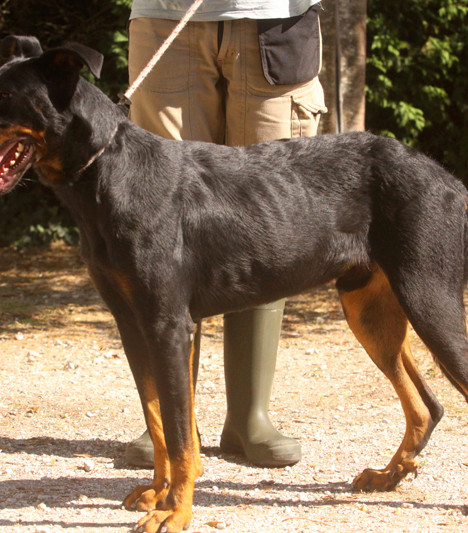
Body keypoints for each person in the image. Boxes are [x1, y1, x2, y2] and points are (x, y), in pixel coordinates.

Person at [125, 0, 326, 468]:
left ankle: (248, 419)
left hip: (277, 17)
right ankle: (175, 423)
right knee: (161, 222)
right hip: (165, 15)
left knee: (268, 220)